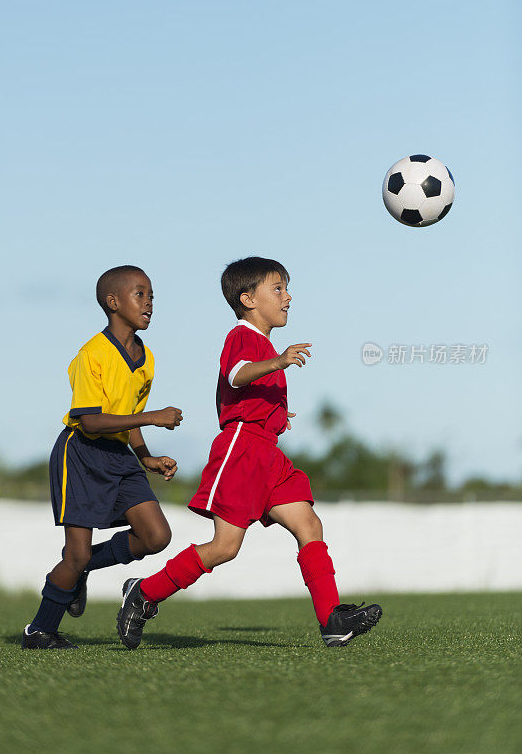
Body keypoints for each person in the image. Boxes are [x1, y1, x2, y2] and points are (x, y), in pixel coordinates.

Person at [116, 256, 382, 649]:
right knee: (225, 547)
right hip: (241, 451)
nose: (288, 297)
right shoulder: (242, 336)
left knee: (309, 524)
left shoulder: (263, 344)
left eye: (286, 289)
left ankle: (331, 620)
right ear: (248, 299)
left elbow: (246, 389)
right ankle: (144, 594)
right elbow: (236, 374)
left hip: (267, 452)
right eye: (278, 289)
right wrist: (278, 362)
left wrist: (274, 414)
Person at [22, 265, 183, 649]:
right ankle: (39, 630)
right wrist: (153, 416)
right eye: (140, 295)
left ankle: (77, 570)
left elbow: (127, 415)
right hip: (80, 455)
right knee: (75, 556)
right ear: (113, 302)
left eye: (152, 296)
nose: (149, 304)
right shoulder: (91, 354)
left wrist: (145, 456)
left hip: (119, 456)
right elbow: (92, 421)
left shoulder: (146, 357)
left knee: (156, 536)